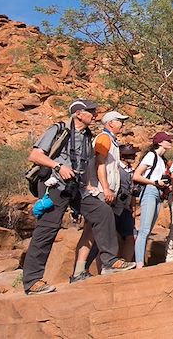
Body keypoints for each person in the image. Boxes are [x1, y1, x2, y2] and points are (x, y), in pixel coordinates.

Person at [22, 100, 135, 295]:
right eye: (90, 111)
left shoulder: (87, 136)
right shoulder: (59, 129)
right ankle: (32, 281)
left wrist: (90, 186)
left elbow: (85, 164)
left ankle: (109, 262)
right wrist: (58, 167)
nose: (95, 114)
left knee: (102, 211)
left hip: (77, 188)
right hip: (54, 185)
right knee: (47, 229)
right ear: (78, 114)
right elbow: (35, 155)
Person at [71, 109, 129, 282]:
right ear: (110, 123)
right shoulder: (104, 138)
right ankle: (107, 265)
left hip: (100, 190)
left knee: (90, 231)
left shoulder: (110, 140)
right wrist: (106, 188)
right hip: (100, 191)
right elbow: (99, 163)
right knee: (99, 229)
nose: (122, 124)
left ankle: (79, 271)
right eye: (119, 120)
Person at [133, 131, 173, 267]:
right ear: (160, 142)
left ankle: (141, 262)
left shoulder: (162, 160)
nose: (170, 142)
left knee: (148, 228)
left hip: (158, 193)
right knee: (145, 229)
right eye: (167, 140)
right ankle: (139, 263)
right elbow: (136, 176)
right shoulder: (151, 155)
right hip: (149, 192)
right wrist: (155, 183)